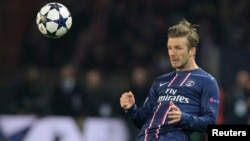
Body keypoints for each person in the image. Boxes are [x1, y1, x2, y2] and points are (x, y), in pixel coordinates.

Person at [120, 19, 220, 141]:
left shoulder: (207, 81)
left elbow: (210, 123)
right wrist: (131, 108)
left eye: (178, 48)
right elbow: (143, 120)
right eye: (170, 48)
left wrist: (183, 118)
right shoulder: (160, 81)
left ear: (192, 51)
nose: (172, 53)